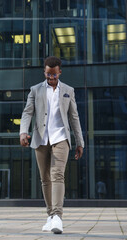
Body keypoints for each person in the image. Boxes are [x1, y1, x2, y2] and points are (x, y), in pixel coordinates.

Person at [20, 56, 84, 234]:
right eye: (48, 74)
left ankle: (57, 216)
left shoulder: (68, 90)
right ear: (44, 72)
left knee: (57, 175)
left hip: (60, 138)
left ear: (59, 72)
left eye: (54, 75)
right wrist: (23, 132)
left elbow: (74, 117)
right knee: (45, 178)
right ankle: (50, 216)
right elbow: (27, 112)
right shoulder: (35, 90)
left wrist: (80, 142)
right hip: (41, 139)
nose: (51, 78)